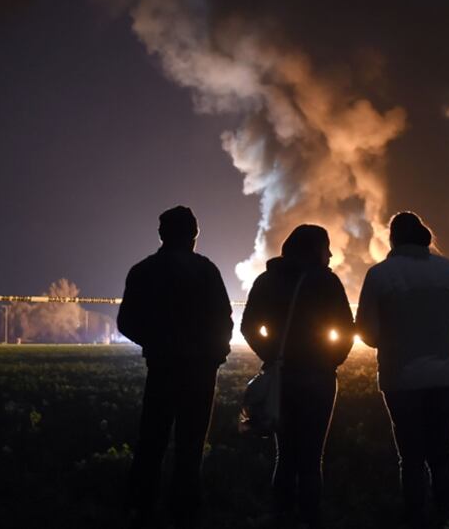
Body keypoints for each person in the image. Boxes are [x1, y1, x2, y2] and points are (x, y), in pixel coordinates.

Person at [118, 206, 233, 528]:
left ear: (161, 234)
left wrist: (154, 342)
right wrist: (216, 353)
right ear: (194, 234)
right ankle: (184, 509)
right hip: (200, 371)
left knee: (151, 440)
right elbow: (224, 319)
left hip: (162, 367)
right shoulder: (206, 271)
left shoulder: (143, 271)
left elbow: (126, 321)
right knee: (191, 444)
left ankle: (140, 506)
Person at [356, 212, 449, 528]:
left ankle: (415, 517)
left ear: (392, 238)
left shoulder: (380, 275)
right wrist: (438, 334)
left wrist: (392, 340)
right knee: (441, 453)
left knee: (410, 456)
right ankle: (448, 515)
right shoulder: (447, 270)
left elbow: (365, 329)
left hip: (400, 377)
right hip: (445, 376)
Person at [241, 224, 355, 528]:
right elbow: (347, 329)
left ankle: (280, 515)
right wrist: (331, 360)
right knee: (311, 457)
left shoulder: (267, 281)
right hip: (319, 378)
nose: (330, 254)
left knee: (285, 454)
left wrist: (272, 354)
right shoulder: (328, 283)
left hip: (283, 376)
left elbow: (249, 326)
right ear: (314, 250)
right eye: (326, 247)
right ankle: (310, 517)